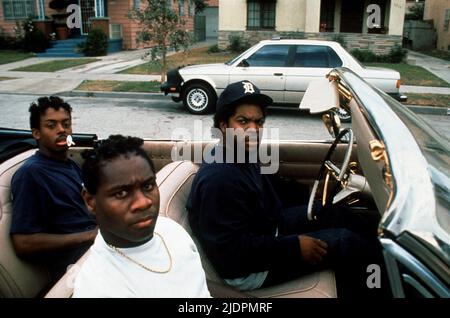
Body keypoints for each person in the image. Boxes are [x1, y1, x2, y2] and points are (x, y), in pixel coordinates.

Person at [186, 81, 388, 298]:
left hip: (266, 229)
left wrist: (312, 194)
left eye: (259, 122)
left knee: (333, 212)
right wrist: (295, 247)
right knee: (345, 242)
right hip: (248, 270)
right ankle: (380, 288)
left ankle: (387, 253)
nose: (253, 130)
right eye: (243, 121)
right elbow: (232, 251)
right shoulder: (221, 179)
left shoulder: (241, 154)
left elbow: (275, 187)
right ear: (224, 126)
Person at [73, 135, 210, 298]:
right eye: (121, 193)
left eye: (148, 186)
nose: (143, 203)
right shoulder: (98, 288)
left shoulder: (170, 229)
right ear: (90, 201)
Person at [10, 96, 97, 282]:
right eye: (51, 125)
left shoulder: (70, 165)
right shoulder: (31, 174)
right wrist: (89, 236)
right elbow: (23, 243)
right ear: (36, 133)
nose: (62, 130)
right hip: (77, 265)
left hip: (97, 249)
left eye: (66, 124)